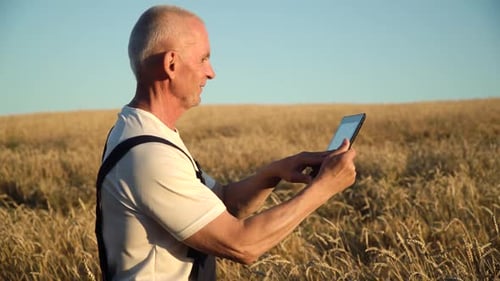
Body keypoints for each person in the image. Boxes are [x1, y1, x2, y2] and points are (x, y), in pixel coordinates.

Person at [95, 5, 357, 281]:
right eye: (203, 59)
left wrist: (275, 172)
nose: (211, 73)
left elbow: (221, 202)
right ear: (171, 64)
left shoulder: (146, 134)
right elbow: (242, 244)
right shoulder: (148, 157)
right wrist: (323, 189)